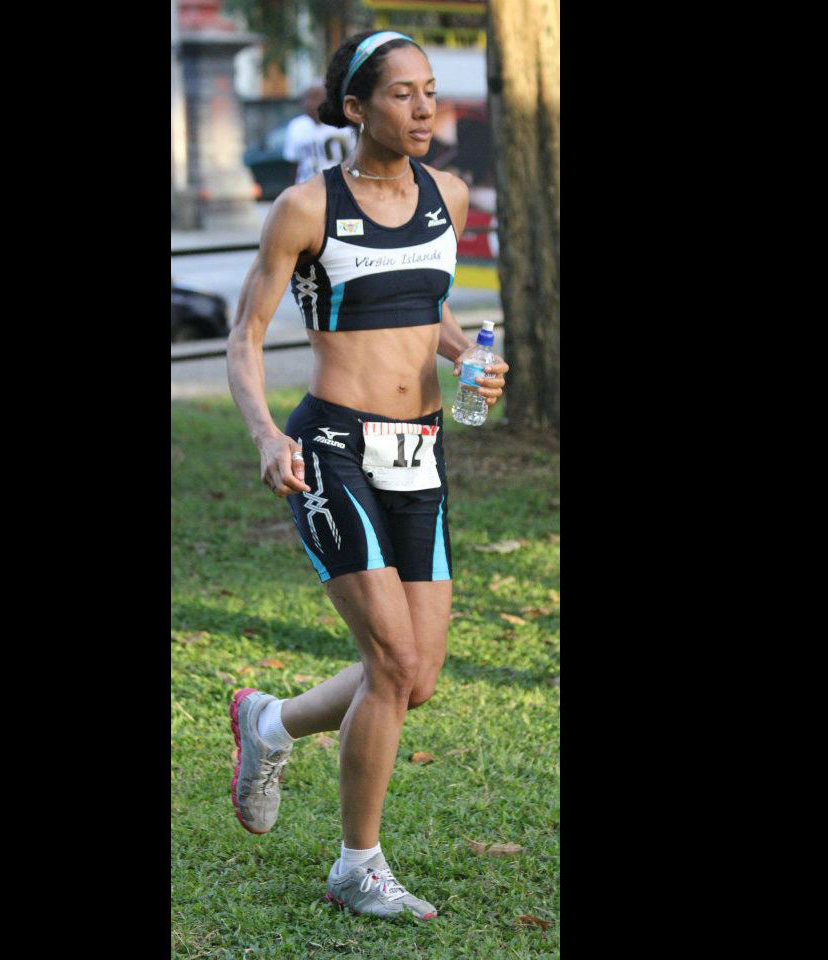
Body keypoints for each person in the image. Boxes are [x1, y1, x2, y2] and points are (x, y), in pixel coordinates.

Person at [226, 30, 509, 921]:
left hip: (419, 448)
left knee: (416, 678)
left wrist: (467, 358)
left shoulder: (446, 195)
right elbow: (244, 337)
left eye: (429, 91)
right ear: (355, 107)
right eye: (401, 94)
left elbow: (427, 311)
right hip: (332, 446)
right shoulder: (306, 207)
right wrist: (266, 435)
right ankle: (358, 866)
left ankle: (269, 723)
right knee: (390, 661)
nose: (424, 109)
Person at [282, 82, 358, 184]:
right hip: (306, 187)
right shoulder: (296, 126)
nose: (311, 103)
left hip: (337, 185)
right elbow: (292, 165)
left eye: (316, 98)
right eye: (308, 98)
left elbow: (354, 161)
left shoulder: (343, 127)